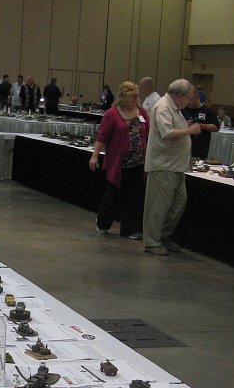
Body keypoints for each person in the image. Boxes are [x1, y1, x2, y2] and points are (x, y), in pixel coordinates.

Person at [142, 78, 201, 256]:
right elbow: (167, 133)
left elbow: (173, 129)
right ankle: (152, 241)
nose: (188, 102)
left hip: (176, 166)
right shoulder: (163, 107)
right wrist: (189, 130)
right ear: (180, 95)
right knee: (158, 206)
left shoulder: (174, 108)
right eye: (188, 97)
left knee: (178, 203)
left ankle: (163, 235)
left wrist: (185, 127)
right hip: (163, 165)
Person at [90, 81, 149, 239]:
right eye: (132, 96)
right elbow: (102, 136)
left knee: (135, 196)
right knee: (114, 194)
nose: (135, 99)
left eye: (137, 96)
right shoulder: (112, 114)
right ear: (123, 97)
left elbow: (149, 132)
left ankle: (130, 229)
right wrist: (95, 155)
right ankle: (103, 223)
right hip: (118, 163)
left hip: (138, 162)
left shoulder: (142, 112)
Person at [182, 86, 219, 161]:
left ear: (196, 97)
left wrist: (203, 126)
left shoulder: (208, 111)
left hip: (201, 146)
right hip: (184, 146)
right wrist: (185, 124)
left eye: (189, 100)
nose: (187, 103)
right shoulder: (183, 110)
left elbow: (216, 127)